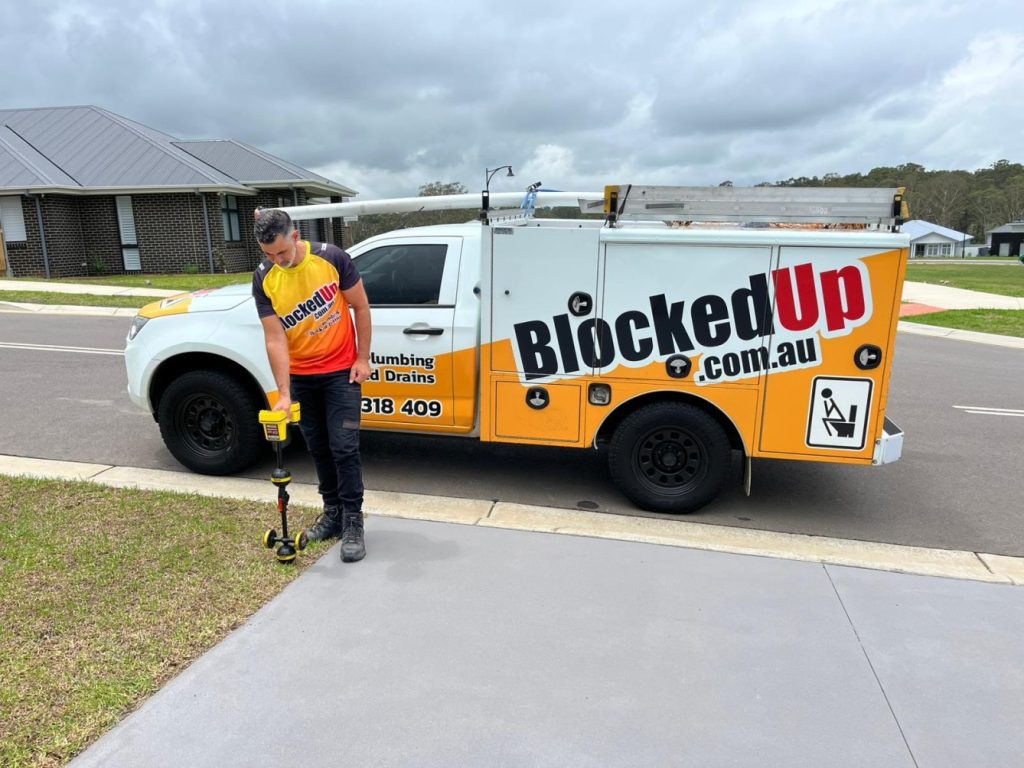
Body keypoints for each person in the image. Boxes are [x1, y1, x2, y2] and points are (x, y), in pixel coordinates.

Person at [252, 209, 372, 562]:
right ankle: (332, 512)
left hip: (340, 373)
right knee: (317, 447)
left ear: (295, 235)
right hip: (302, 377)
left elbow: (361, 308)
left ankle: (353, 520)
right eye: (268, 255)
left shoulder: (331, 258)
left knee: (344, 447)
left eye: (282, 252)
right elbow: (275, 339)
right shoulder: (263, 278)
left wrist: (362, 359)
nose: (278, 261)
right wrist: (284, 394)